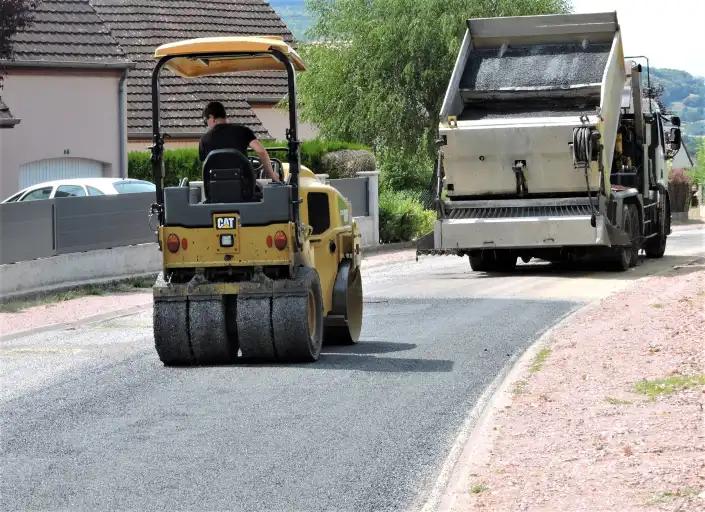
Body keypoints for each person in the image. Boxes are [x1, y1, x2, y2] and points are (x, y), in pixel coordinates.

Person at [199, 101, 280, 182]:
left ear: (212, 117)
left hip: (215, 190)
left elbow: (205, 167)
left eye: (206, 122)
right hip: (243, 187)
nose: (207, 125)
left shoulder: (204, 139)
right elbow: (261, 151)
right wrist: (272, 176)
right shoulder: (243, 131)